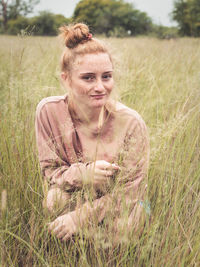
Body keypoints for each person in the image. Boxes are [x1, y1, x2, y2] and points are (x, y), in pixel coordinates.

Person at [35, 23, 150, 242]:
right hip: (78, 190)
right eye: (88, 78)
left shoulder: (131, 122)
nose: (100, 87)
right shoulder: (49, 111)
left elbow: (131, 192)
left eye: (106, 76)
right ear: (66, 79)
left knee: (126, 226)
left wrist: (79, 217)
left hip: (125, 200)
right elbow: (49, 173)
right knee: (53, 201)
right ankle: (70, 247)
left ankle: (102, 248)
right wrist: (84, 174)